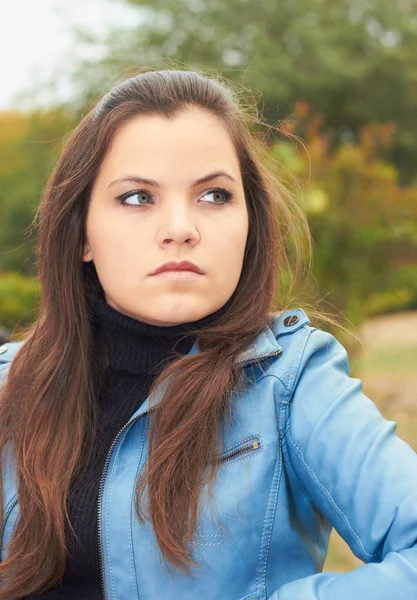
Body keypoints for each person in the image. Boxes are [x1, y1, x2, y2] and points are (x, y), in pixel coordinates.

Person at [0, 68, 416, 600]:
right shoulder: (14, 384)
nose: (181, 227)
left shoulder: (289, 382)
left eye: (214, 195)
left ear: (250, 223)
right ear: (82, 232)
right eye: (136, 198)